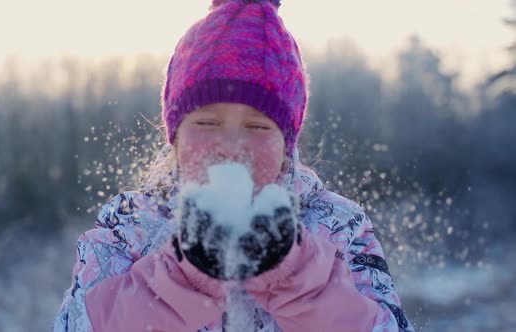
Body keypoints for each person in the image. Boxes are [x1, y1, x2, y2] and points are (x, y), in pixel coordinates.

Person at [53, 0, 414, 331]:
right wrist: (181, 276)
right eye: (207, 123)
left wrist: (298, 277)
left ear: (286, 144)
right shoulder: (130, 224)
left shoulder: (338, 225)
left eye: (257, 126)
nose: (230, 148)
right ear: (175, 135)